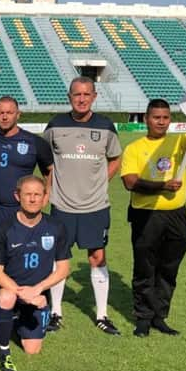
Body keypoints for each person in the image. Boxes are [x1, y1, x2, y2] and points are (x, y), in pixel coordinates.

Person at [120, 100, 186, 337]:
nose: (161, 122)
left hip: (176, 216)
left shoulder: (176, 142)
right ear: (147, 119)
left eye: (166, 118)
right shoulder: (135, 148)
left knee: (169, 268)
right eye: (156, 117)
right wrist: (163, 186)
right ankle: (143, 318)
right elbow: (130, 182)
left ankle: (160, 316)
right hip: (146, 215)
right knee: (145, 267)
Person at [43, 76, 122, 335]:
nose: (81, 99)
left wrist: (101, 182)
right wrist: (49, 189)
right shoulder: (55, 125)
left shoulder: (106, 126)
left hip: (95, 206)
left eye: (86, 94)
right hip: (62, 206)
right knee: (59, 259)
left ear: (94, 96)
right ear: (69, 96)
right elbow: (45, 160)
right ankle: (55, 312)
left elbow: (115, 158)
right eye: (76, 94)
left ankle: (102, 315)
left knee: (97, 257)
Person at [0, 96, 54, 328]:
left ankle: (22, 305)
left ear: (19, 114)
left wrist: (45, 195)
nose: (5, 116)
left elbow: (49, 169)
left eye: (9, 112)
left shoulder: (34, 142)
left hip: (18, 210)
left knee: (16, 259)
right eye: (0, 113)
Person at [0, 175, 71, 371]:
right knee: (7, 297)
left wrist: (37, 289)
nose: (33, 199)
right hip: (11, 287)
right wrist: (20, 292)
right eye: (28, 194)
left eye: (37, 194)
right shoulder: (4, 228)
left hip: (37, 294)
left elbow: (63, 269)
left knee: (32, 350)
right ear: (17, 196)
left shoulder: (56, 227)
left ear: (45, 197)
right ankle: (3, 352)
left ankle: (13, 321)